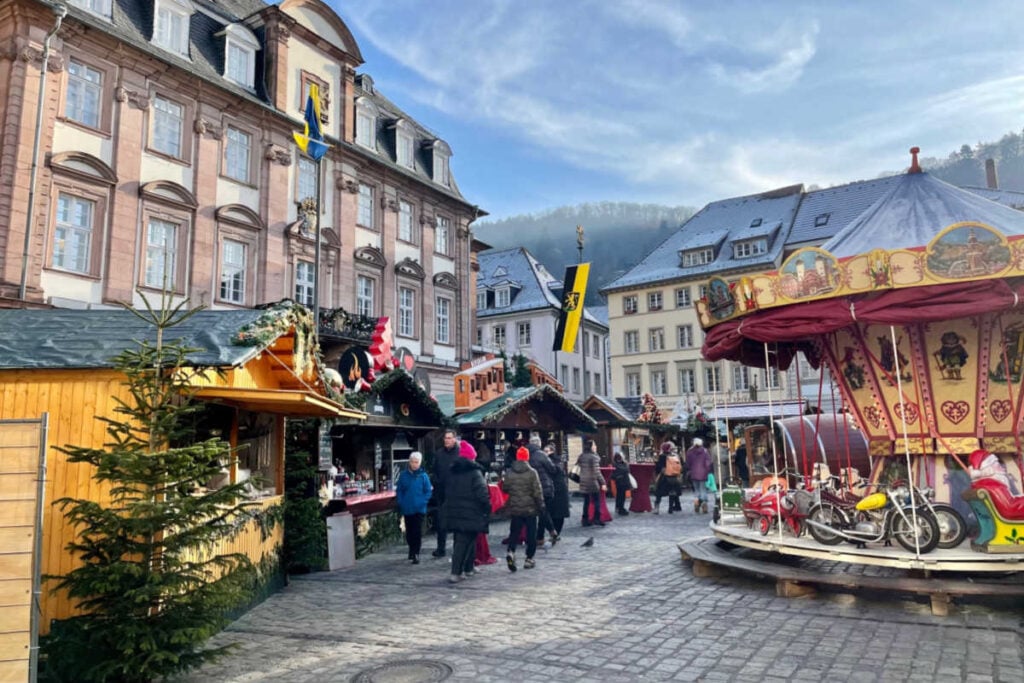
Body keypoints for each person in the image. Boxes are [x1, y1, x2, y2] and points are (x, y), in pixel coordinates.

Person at [443, 440, 490, 583]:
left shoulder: (453, 472)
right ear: (471, 457)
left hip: (455, 511)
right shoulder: (475, 473)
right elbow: (482, 494)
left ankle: (466, 568)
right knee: (464, 542)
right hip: (471, 512)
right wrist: (487, 507)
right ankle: (456, 572)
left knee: (464, 541)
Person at [504, 446, 544, 571]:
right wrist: (541, 505)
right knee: (531, 534)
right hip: (530, 508)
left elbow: (505, 488)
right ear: (527, 457)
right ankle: (529, 559)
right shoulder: (532, 472)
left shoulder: (509, 472)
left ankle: (511, 551)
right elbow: (538, 491)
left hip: (515, 507)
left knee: (514, 532)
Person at [395, 451, 432, 564]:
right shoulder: (404, 475)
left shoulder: (423, 476)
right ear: (409, 462)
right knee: (409, 532)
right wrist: (401, 502)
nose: (414, 464)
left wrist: (423, 502)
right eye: (413, 462)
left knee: (416, 531)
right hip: (407, 508)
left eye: (417, 462)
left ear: (420, 463)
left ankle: (416, 553)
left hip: (419, 509)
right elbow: (399, 490)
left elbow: (428, 491)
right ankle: (411, 549)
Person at [430, 429, 461, 558]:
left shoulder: (460, 454)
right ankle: (440, 549)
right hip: (442, 494)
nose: (447, 440)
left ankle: (457, 548)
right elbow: (434, 470)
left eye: (449, 438)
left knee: (457, 524)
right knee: (441, 523)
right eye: (445, 438)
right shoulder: (439, 454)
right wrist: (437, 482)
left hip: (456, 494)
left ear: (454, 439)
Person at [528, 434, 560, 546]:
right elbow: (552, 469)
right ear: (539, 444)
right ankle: (551, 530)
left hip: (529, 488)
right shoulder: (541, 455)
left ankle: (538, 537)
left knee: (533, 514)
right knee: (543, 511)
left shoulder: (525, 454)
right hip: (544, 487)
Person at [577, 439, 606, 527]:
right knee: (597, 500)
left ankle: (585, 519)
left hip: (583, 480)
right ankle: (596, 518)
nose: (595, 447)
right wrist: (603, 483)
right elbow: (597, 472)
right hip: (592, 481)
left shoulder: (582, 456)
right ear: (591, 447)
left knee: (586, 501)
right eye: (594, 445)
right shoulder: (594, 457)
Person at [546, 443, 571, 535]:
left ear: (552, 451)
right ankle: (556, 532)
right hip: (558, 489)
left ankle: (555, 532)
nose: (545, 453)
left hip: (555, 489)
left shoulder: (552, 462)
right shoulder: (558, 461)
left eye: (547, 451)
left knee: (555, 513)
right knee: (556, 513)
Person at [686, 437, 713, 514]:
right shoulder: (705, 451)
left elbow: (688, 463)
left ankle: (696, 504)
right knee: (703, 489)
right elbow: (708, 463)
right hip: (703, 473)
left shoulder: (690, 452)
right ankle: (704, 504)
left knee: (696, 490)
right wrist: (707, 471)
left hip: (694, 473)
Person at [653, 442, 683, 514]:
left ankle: (656, 508)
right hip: (674, 477)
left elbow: (658, 468)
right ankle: (670, 509)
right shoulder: (675, 456)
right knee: (672, 493)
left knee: (659, 493)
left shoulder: (662, 456)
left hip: (664, 477)